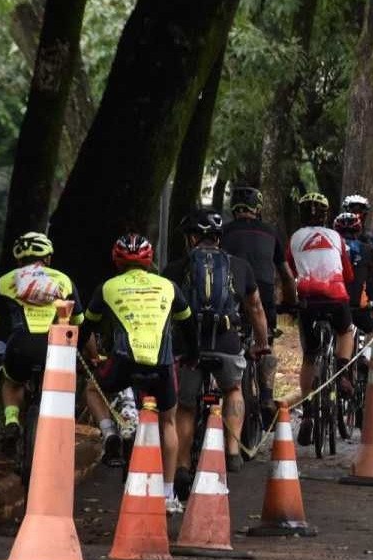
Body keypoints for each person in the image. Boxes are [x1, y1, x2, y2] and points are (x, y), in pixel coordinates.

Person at [81, 233, 196, 514]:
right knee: (168, 422)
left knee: (92, 389)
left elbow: (87, 327)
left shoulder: (107, 288)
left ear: (117, 260)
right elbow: (188, 324)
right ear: (150, 260)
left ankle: (110, 434)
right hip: (162, 363)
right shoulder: (168, 286)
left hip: (124, 361)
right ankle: (168, 495)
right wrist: (194, 354)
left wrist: (82, 350)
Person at [163, 208, 270, 498]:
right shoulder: (240, 266)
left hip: (190, 348)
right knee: (233, 388)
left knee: (185, 406)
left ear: (194, 237)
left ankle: (183, 464)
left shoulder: (177, 267)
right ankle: (233, 449)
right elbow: (256, 308)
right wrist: (262, 342)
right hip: (227, 344)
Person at [0, 232, 85, 459]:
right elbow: (78, 324)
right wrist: (91, 355)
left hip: (19, 346)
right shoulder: (63, 280)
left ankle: (12, 421)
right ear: (47, 258)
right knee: (56, 390)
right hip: (53, 350)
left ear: (18, 260)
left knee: (12, 383)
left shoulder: (6, 281)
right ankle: (55, 433)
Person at [287, 193, 355, 446]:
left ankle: (307, 412)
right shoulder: (336, 237)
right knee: (345, 331)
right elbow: (346, 271)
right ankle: (342, 371)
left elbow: (291, 270)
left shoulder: (294, 238)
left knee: (309, 355)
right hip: (336, 296)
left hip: (307, 300)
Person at [221, 186, 297, 343]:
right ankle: (265, 356)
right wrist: (291, 303)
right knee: (265, 342)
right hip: (264, 289)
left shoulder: (223, 231)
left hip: (231, 288)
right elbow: (287, 275)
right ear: (258, 208)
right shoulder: (270, 232)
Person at [335, 211, 373, 333]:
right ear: (358, 231)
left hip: (334, 305)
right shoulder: (367, 249)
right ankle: (368, 351)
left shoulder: (331, 249)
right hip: (358, 307)